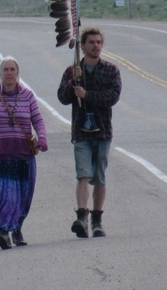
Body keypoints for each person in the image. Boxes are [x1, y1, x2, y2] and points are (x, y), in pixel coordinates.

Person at [0, 56, 49, 250]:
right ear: (0, 73)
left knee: (23, 196)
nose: (9, 73)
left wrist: (42, 138)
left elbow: (38, 120)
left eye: (12, 69)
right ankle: (4, 234)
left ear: (18, 73)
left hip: (23, 155)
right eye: (5, 70)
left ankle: (17, 229)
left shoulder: (28, 96)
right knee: (4, 196)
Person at [57, 27, 121, 239]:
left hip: (102, 131)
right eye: (91, 42)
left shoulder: (110, 71)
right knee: (83, 174)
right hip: (81, 131)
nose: (95, 46)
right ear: (82, 46)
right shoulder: (73, 71)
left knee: (99, 177)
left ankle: (97, 219)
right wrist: (72, 83)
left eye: (98, 42)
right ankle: (82, 216)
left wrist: (88, 95)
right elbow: (63, 97)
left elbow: (113, 96)